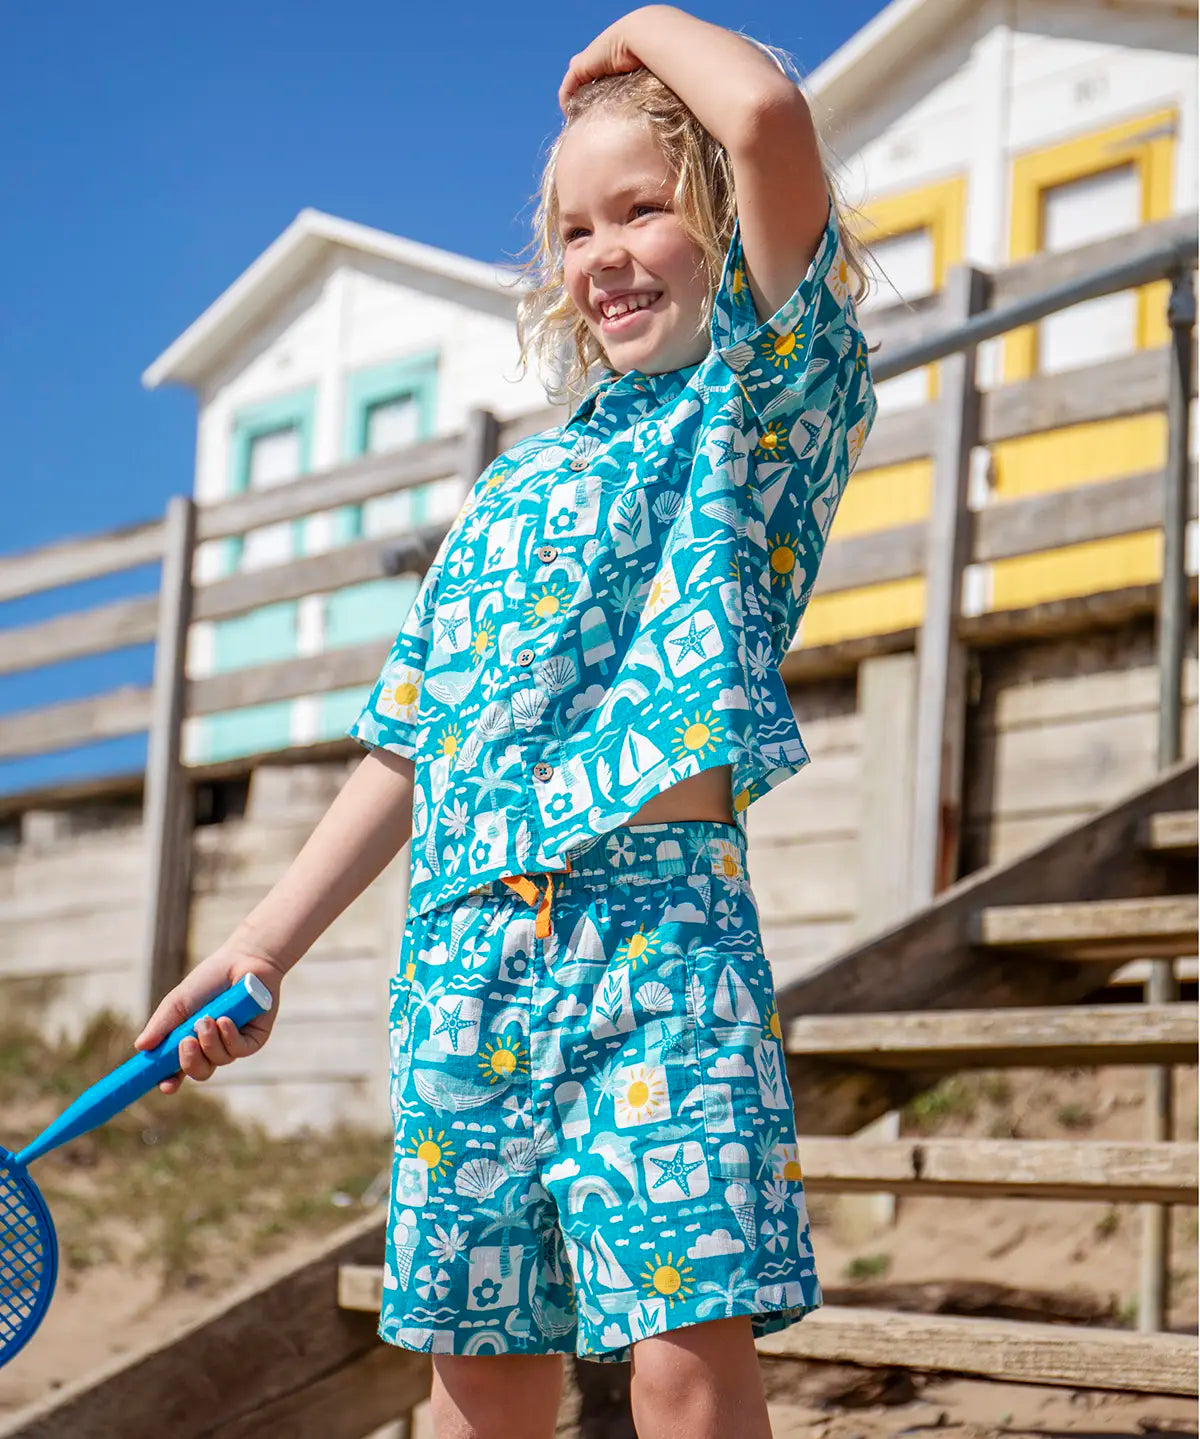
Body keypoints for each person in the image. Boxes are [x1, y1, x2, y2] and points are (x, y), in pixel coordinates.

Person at [136, 8, 877, 1436]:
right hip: (462, 964)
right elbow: (407, 748)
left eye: (642, 210)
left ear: (724, 224)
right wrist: (258, 947)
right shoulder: (506, 496)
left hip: (656, 946)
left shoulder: (762, 403)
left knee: (682, 1352)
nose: (601, 253)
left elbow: (771, 124)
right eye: (571, 230)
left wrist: (646, 31)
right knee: (477, 1367)